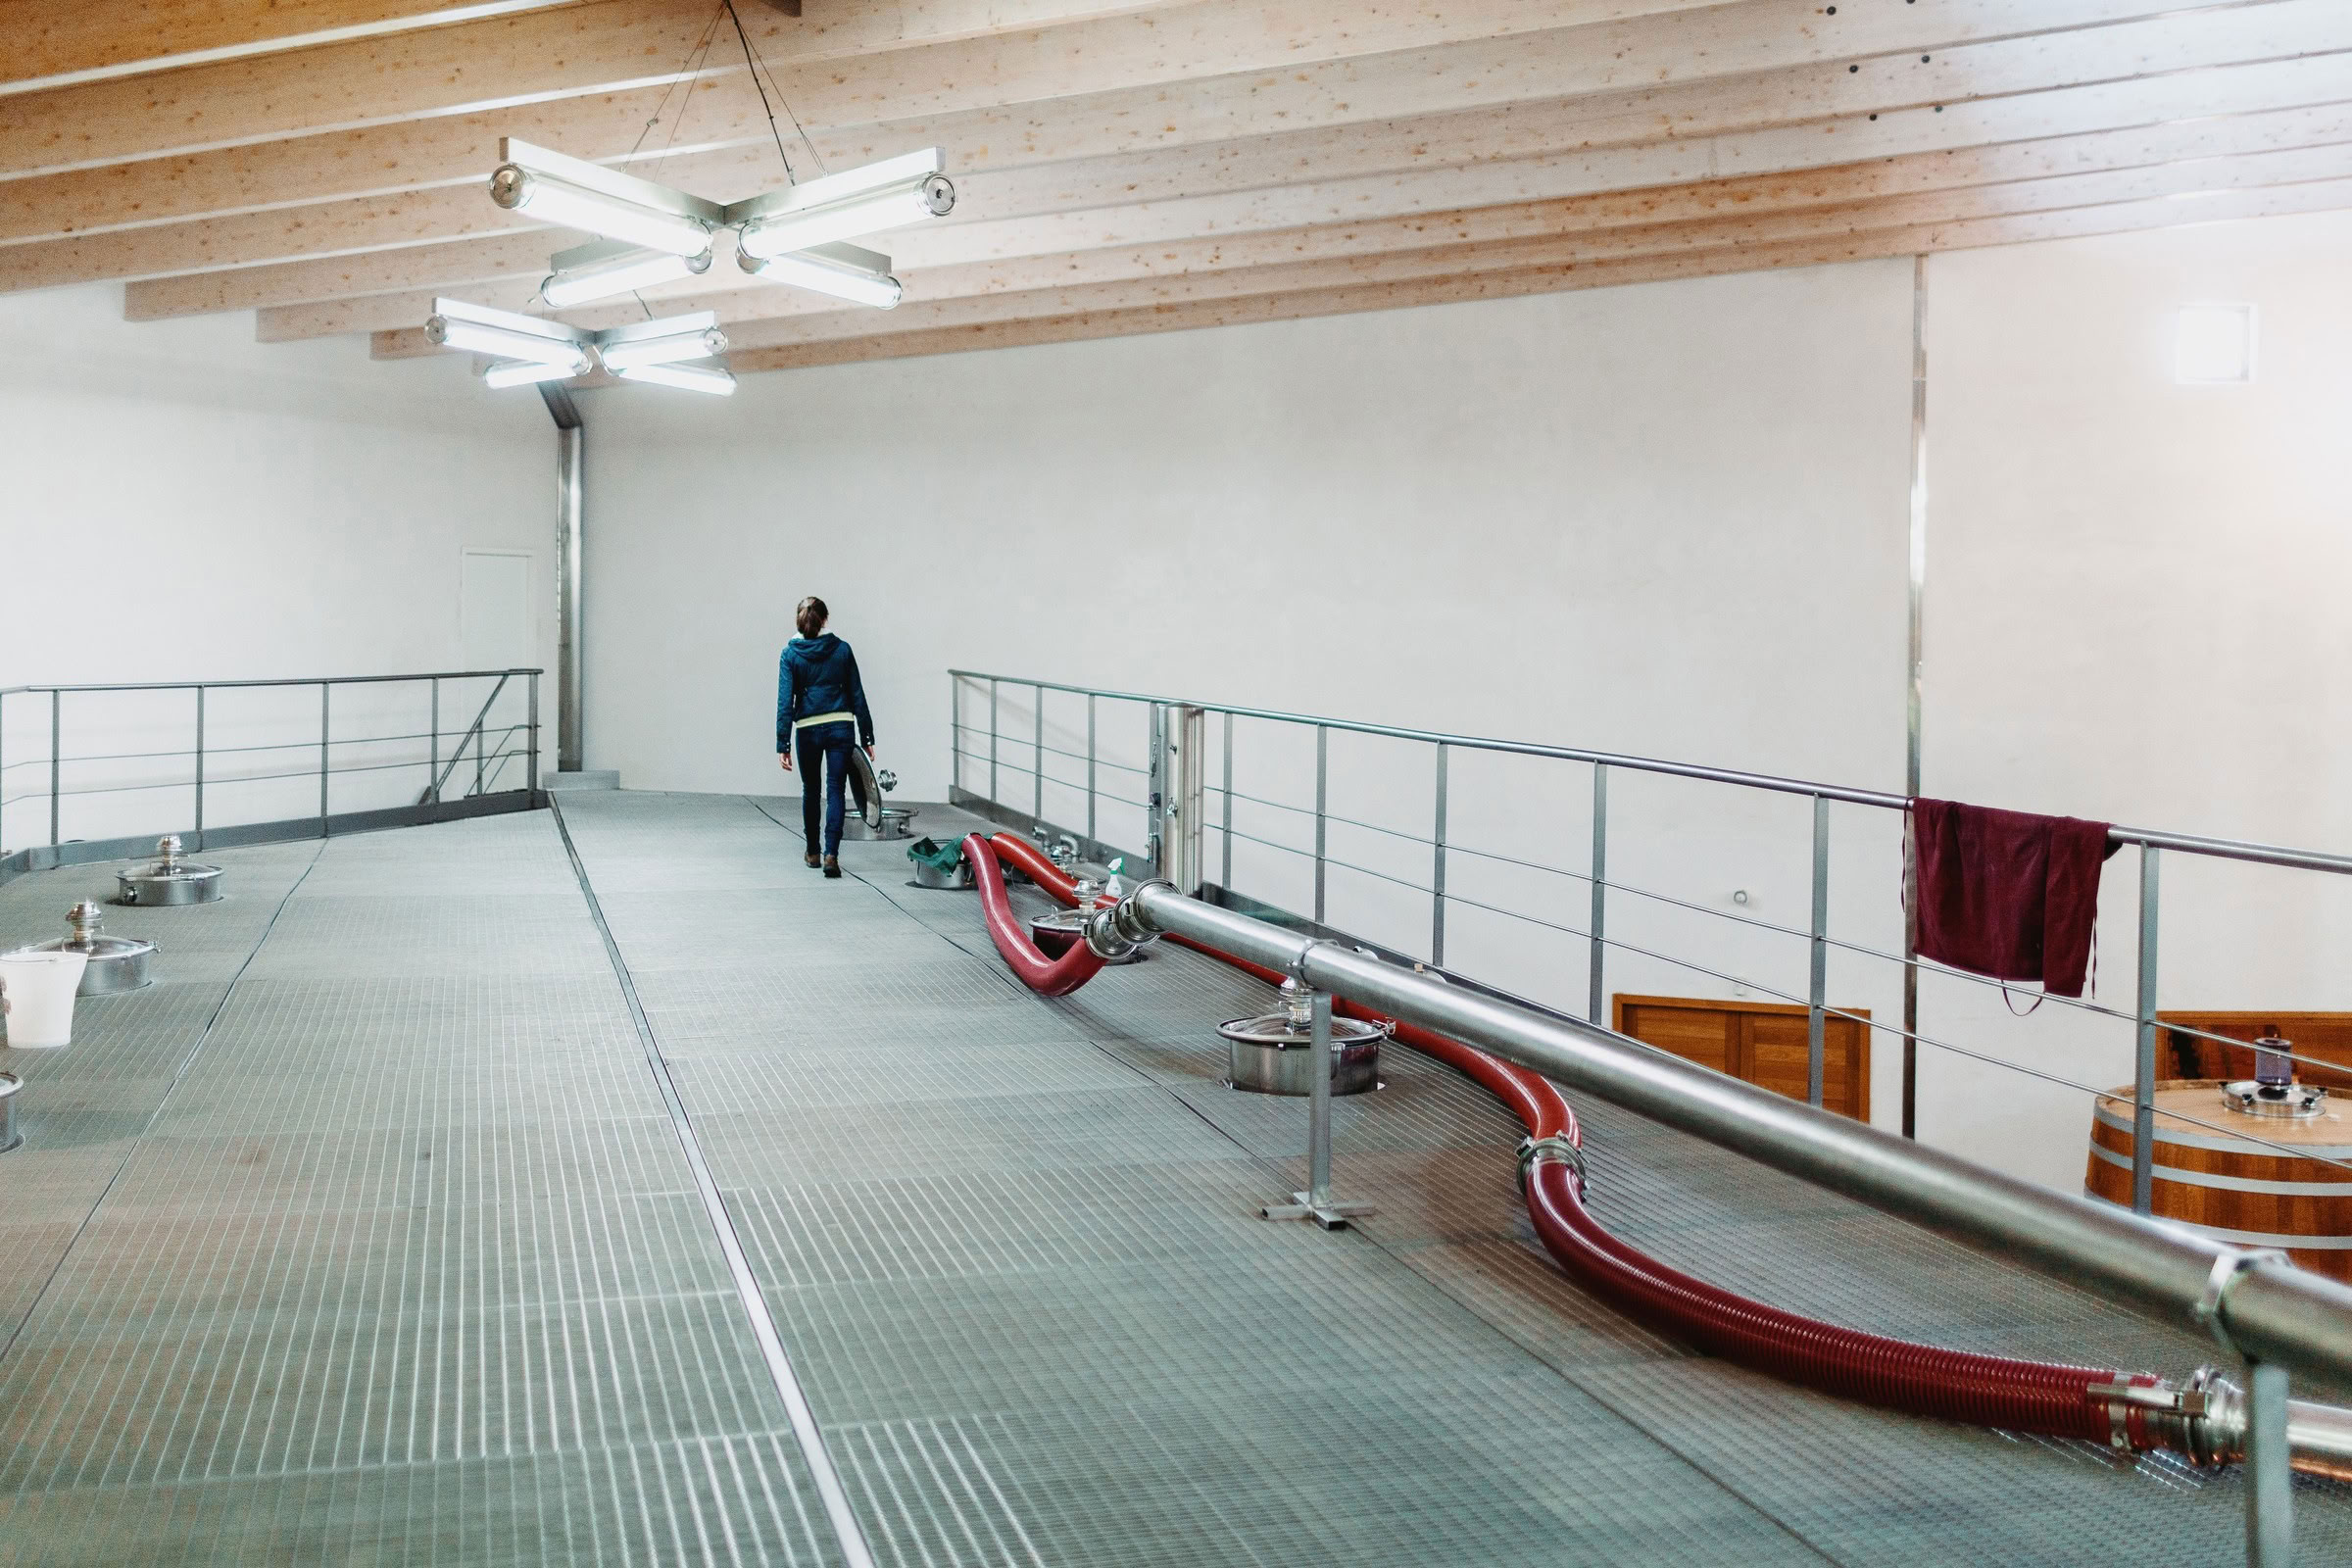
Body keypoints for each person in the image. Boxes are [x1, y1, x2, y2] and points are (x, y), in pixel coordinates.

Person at [776, 597, 876, 878]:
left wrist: (783, 743)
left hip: (807, 728)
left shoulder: (790, 654)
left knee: (811, 790)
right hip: (840, 726)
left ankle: (812, 852)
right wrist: (867, 736)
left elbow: (785, 701)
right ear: (825, 620)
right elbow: (857, 694)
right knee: (836, 791)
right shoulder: (842, 650)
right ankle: (831, 855)